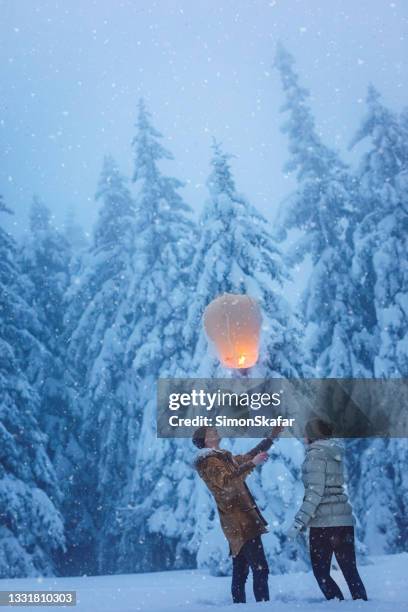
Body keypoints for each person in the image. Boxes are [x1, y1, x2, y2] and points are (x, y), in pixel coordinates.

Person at [193, 425, 282, 604]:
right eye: (211, 432)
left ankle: (239, 606)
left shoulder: (222, 457)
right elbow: (227, 482)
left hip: (239, 520)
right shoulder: (209, 461)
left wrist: (270, 439)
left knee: (241, 570)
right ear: (205, 440)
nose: (216, 432)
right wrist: (252, 464)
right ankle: (263, 606)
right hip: (239, 521)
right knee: (260, 568)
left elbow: (248, 457)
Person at [287, 418, 368, 602]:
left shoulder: (315, 455)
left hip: (324, 524)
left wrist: (299, 522)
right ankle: (362, 605)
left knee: (321, 573)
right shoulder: (333, 452)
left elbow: (315, 493)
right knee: (350, 571)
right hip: (343, 521)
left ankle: (337, 605)